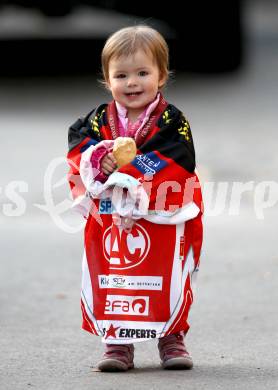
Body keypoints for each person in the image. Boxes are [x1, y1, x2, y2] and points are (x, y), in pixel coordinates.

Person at [67, 25, 203, 372]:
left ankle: (171, 336)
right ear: (106, 78)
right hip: (112, 214)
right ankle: (117, 343)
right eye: (121, 75)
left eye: (143, 73)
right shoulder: (98, 120)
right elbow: (78, 147)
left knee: (167, 275)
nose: (132, 83)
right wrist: (99, 157)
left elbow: (179, 156)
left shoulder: (172, 120)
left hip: (160, 211)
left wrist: (133, 173)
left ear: (161, 76)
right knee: (114, 275)